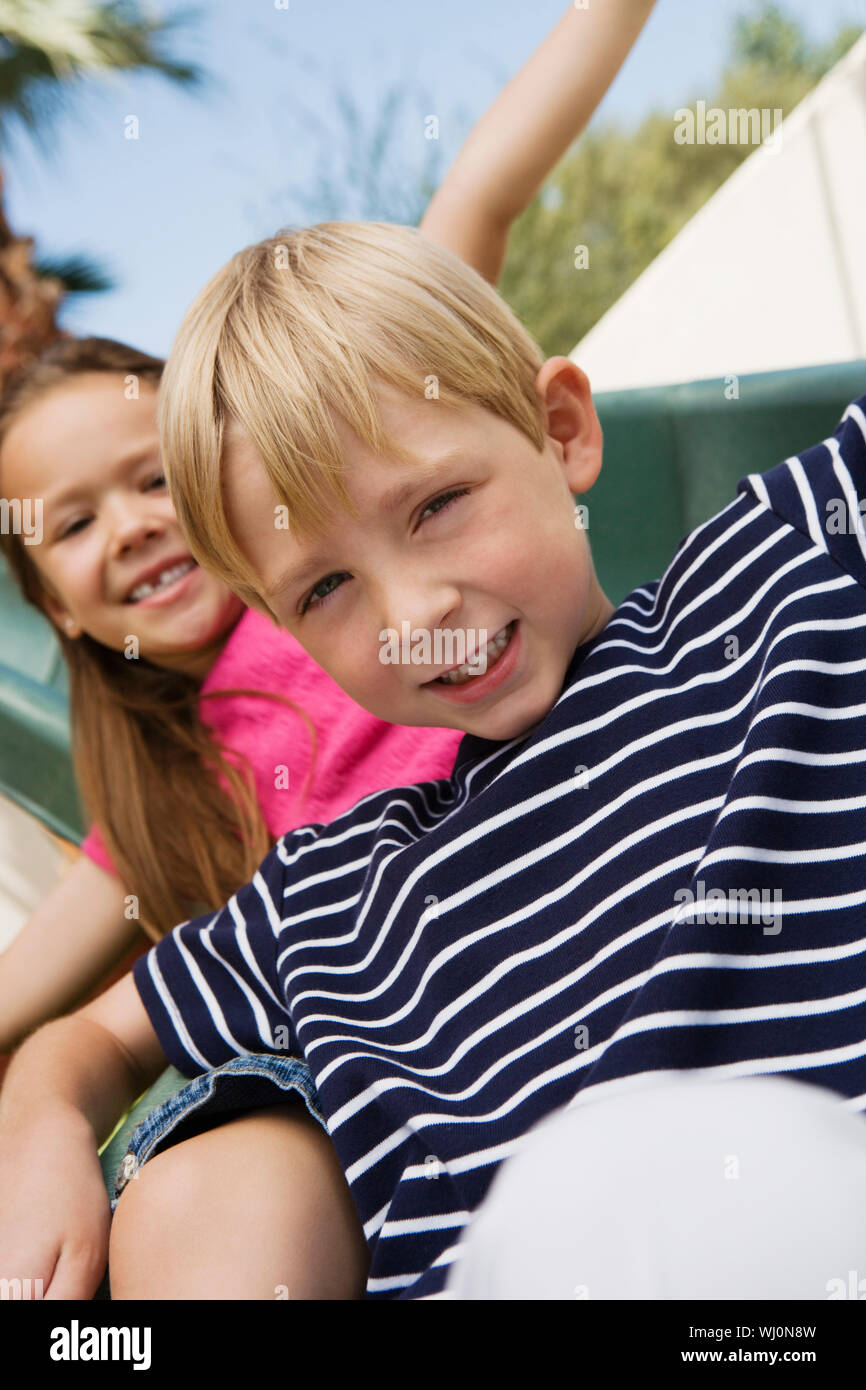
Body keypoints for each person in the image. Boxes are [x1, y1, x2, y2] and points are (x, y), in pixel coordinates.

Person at [2, 211, 865, 1303]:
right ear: (275, 618)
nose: (410, 614)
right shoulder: (331, 893)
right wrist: (39, 1126)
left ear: (560, 432)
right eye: (324, 590)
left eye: (437, 506)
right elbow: (85, 1040)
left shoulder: (775, 575)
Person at [0, 2, 661, 1299]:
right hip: (372, 1049)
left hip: (574, 918)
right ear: (58, 610)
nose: (133, 528)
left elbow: (478, 187)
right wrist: (39, 1119)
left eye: (152, 483)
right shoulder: (163, 798)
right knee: (210, 1177)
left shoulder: (361, 551)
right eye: (72, 525)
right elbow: (42, 1008)